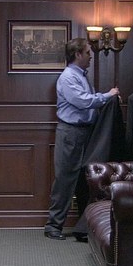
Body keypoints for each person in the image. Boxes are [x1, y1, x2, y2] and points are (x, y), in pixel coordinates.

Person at [44, 38, 119, 241]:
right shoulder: (68, 77)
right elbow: (82, 101)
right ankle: (53, 226)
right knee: (65, 179)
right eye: (87, 52)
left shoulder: (80, 76)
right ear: (77, 54)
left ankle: (82, 228)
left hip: (84, 132)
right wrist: (108, 95)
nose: (90, 56)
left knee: (86, 179)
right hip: (71, 133)